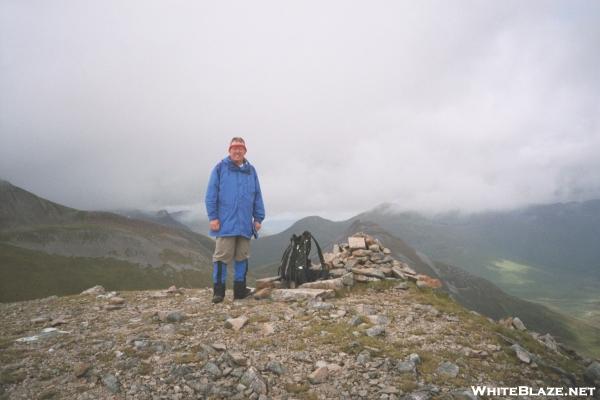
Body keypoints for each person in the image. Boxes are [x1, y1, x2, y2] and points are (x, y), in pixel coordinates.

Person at [205, 137, 265, 303]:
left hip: (245, 223)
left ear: (245, 151)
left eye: (240, 148)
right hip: (225, 223)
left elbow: (257, 195)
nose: (237, 151)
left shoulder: (251, 171)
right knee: (221, 257)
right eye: (234, 148)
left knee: (242, 257)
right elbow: (211, 195)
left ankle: (239, 291)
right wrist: (213, 217)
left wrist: (258, 217)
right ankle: (219, 292)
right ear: (229, 150)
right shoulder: (220, 168)